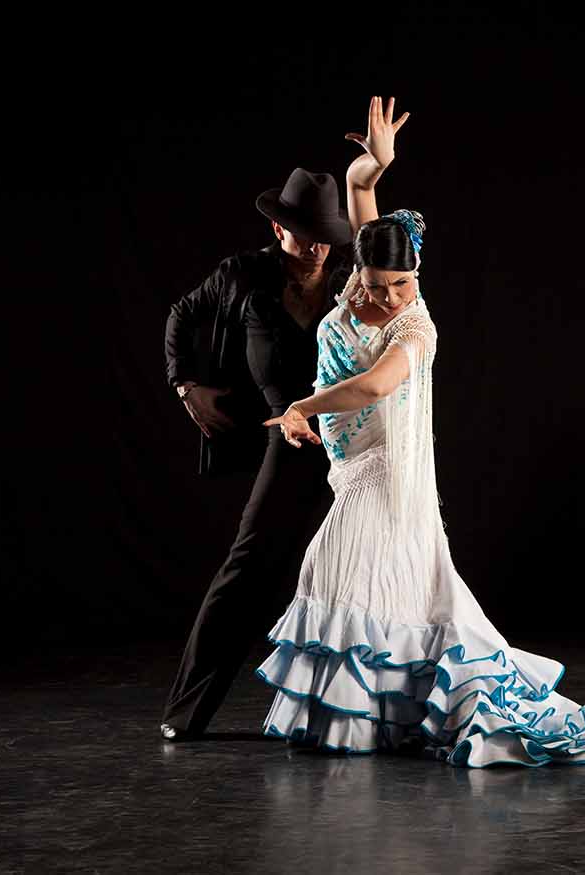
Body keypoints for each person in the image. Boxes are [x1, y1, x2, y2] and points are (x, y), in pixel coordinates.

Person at [256, 96, 585, 766]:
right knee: (386, 598)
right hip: (349, 468)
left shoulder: (416, 326)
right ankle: (378, 720)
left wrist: (302, 408)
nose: (386, 297)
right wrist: (372, 163)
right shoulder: (355, 291)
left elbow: (373, 387)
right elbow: (358, 188)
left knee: (335, 575)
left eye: (401, 284)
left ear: (417, 277)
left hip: (386, 479)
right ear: (358, 271)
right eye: (375, 285)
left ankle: (363, 723)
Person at [159, 165, 357, 740]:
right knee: (249, 568)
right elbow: (180, 316)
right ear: (278, 228)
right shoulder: (242, 276)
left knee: (354, 570)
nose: (318, 245)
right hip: (286, 434)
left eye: (326, 233)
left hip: (352, 435)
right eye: (305, 232)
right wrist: (185, 385)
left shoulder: (348, 278)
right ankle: (186, 712)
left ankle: (359, 719)